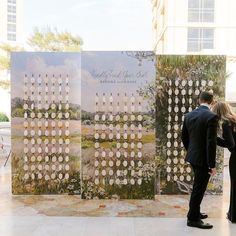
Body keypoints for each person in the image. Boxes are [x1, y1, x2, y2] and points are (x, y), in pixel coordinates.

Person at [181, 91, 218, 229]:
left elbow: (184, 137)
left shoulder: (189, 116)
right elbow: (211, 143)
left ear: (200, 100)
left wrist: (191, 151)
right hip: (203, 160)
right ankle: (192, 219)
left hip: (193, 157)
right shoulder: (212, 117)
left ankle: (195, 212)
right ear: (211, 102)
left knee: (198, 187)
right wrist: (212, 165)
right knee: (199, 189)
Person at [212, 101, 236, 223]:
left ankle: (234, 216)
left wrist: (215, 139)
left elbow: (232, 146)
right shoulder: (234, 120)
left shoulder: (226, 124)